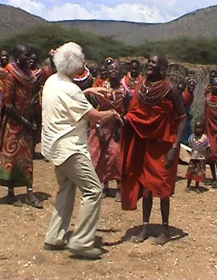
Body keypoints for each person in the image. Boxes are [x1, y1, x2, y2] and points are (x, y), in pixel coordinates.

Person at [41, 42, 123, 259]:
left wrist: (87, 90)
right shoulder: (71, 90)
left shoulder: (52, 81)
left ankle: (54, 236)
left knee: (66, 189)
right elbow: (94, 117)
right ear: (76, 67)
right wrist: (113, 113)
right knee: (93, 190)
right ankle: (82, 241)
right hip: (70, 148)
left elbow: (69, 96)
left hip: (53, 146)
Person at [120, 54, 187, 245]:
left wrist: (175, 147)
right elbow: (135, 112)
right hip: (145, 143)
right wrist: (125, 120)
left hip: (165, 145)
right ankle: (145, 227)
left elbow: (182, 118)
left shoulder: (171, 90)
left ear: (163, 68)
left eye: (153, 63)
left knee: (163, 189)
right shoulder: (141, 86)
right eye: (148, 61)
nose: (149, 64)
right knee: (147, 189)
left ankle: (165, 230)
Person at [0, 44, 42, 209]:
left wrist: (33, 117)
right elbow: (7, 104)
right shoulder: (11, 76)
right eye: (26, 55)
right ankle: (11, 192)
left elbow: (33, 99)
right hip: (12, 123)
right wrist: (24, 121)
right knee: (11, 157)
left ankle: (29, 191)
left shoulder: (30, 76)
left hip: (26, 122)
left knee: (27, 158)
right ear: (18, 57)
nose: (28, 58)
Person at [88, 61, 129, 201]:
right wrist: (98, 127)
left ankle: (119, 188)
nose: (113, 71)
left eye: (117, 69)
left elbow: (127, 112)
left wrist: (120, 127)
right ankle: (104, 187)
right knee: (101, 156)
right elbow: (93, 109)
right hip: (101, 124)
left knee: (116, 155)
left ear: (121, 73)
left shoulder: (124, 92)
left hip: (117, 126)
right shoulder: (100, 89)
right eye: (111, 69)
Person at [185, 119, 210, 193]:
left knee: (198, 174)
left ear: (203, 129)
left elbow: (208, 148)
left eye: (199, 128)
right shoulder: (191, 138)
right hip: (193, 158)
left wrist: (207, 157)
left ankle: (196, 186)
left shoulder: (205, 139)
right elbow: (189, 146)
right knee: (190, 172)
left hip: (200, 159)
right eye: (196, 127)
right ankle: (188, 186)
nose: (197, 129)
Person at [181, 76, 196, 144]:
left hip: (187, 111)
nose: (192, 87)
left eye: (193, 86)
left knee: (187, 127)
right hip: (183, 111)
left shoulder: (191, 95)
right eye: (190, 85)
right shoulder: (184, 94)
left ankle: (187, 140)